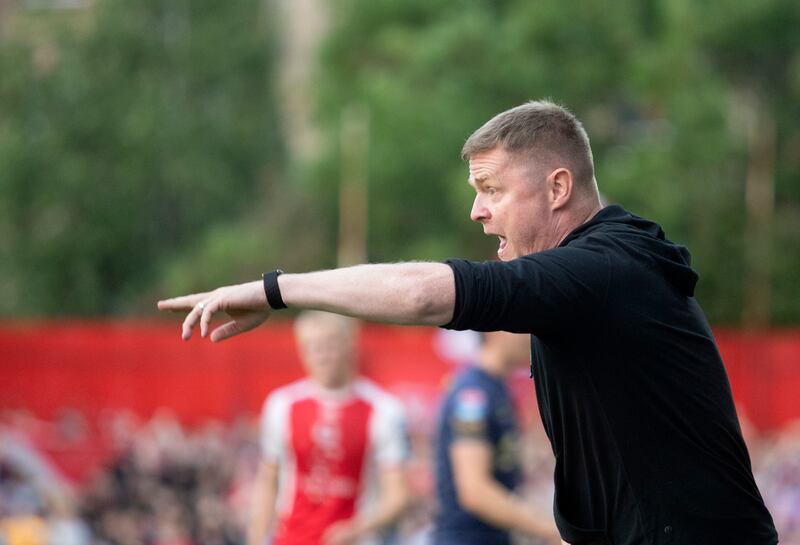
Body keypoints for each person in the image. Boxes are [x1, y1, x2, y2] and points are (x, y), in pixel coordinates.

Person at [159, 100, 778, 545]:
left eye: (490, 188)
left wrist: (275, 290)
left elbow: (428, 294)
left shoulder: (603, 268)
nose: (477, 211)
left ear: (558, 187)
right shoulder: (598, 276)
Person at [246, 311, 410, 545]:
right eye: (310, 347)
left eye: (328, 345)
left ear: (350, 344)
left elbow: (399, 496)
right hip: (291, 538)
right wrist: (256, 538)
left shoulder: (383, 409)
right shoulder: (282, 404)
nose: (320, 356)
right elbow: (267, 482)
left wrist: (358, 528)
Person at [433, 330, 559, 545]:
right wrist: (552, 531)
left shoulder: (497, 389)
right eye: (522, 327)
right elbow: (475, 491)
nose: (529, 336)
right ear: (493, 330)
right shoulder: (473, 394)